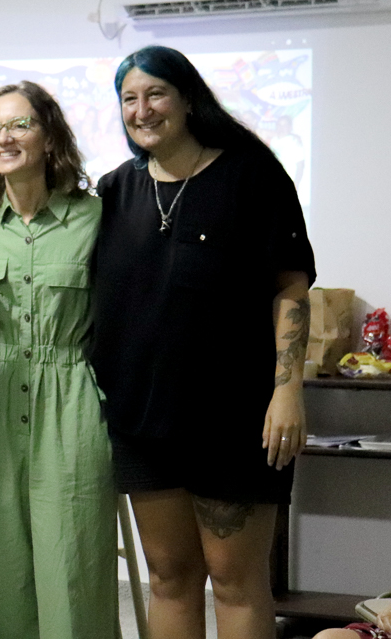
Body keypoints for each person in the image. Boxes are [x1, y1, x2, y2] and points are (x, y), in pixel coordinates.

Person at [90, 45, 315, 639]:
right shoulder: (115, 191)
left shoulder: (251, 175)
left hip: (236, 419)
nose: (142, 110)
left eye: (156, 94)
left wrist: (287, 390)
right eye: (129, 99)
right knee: (169, 578)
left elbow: (290, 287)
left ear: (188, 98)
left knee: (235, 581)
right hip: (142, 422)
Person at [0, 80, 119, 638]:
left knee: (72, 564)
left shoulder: (95, 217)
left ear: (49, 136)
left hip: (73, 404)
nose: (3, 137)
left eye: (19, 124)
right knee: (0, 564)